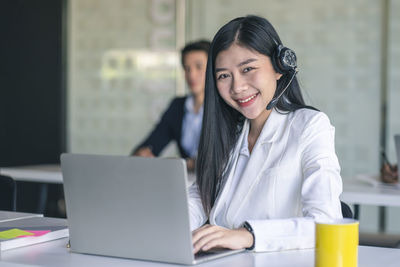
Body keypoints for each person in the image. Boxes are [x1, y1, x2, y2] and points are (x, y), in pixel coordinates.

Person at [188, 15, 343, 253]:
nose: (237, 87)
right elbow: (198, 200)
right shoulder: (227, 134)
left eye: (248, 69)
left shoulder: (310, 127)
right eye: (224, 75)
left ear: (279, 68)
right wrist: (167, 225)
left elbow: (327, 223)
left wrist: (249, 235)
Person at [132, 40, 210, 171]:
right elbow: (152, 143)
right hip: (186, 186)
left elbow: (221, 160)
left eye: (198, 67)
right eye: (187, 68)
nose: (191, 75)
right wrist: (142, 154)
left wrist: (183, 164)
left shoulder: (225, 108)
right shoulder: (178, 106)